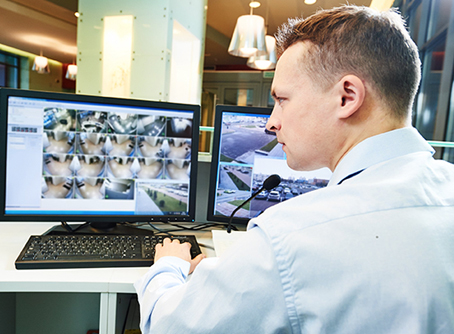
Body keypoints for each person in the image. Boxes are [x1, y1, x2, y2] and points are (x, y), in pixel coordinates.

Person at [134, 5, 454, 333]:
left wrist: (169, 265)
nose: (272, 122)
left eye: (282, 99)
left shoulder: (291, 237)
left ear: (347, 97)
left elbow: (167, 325)